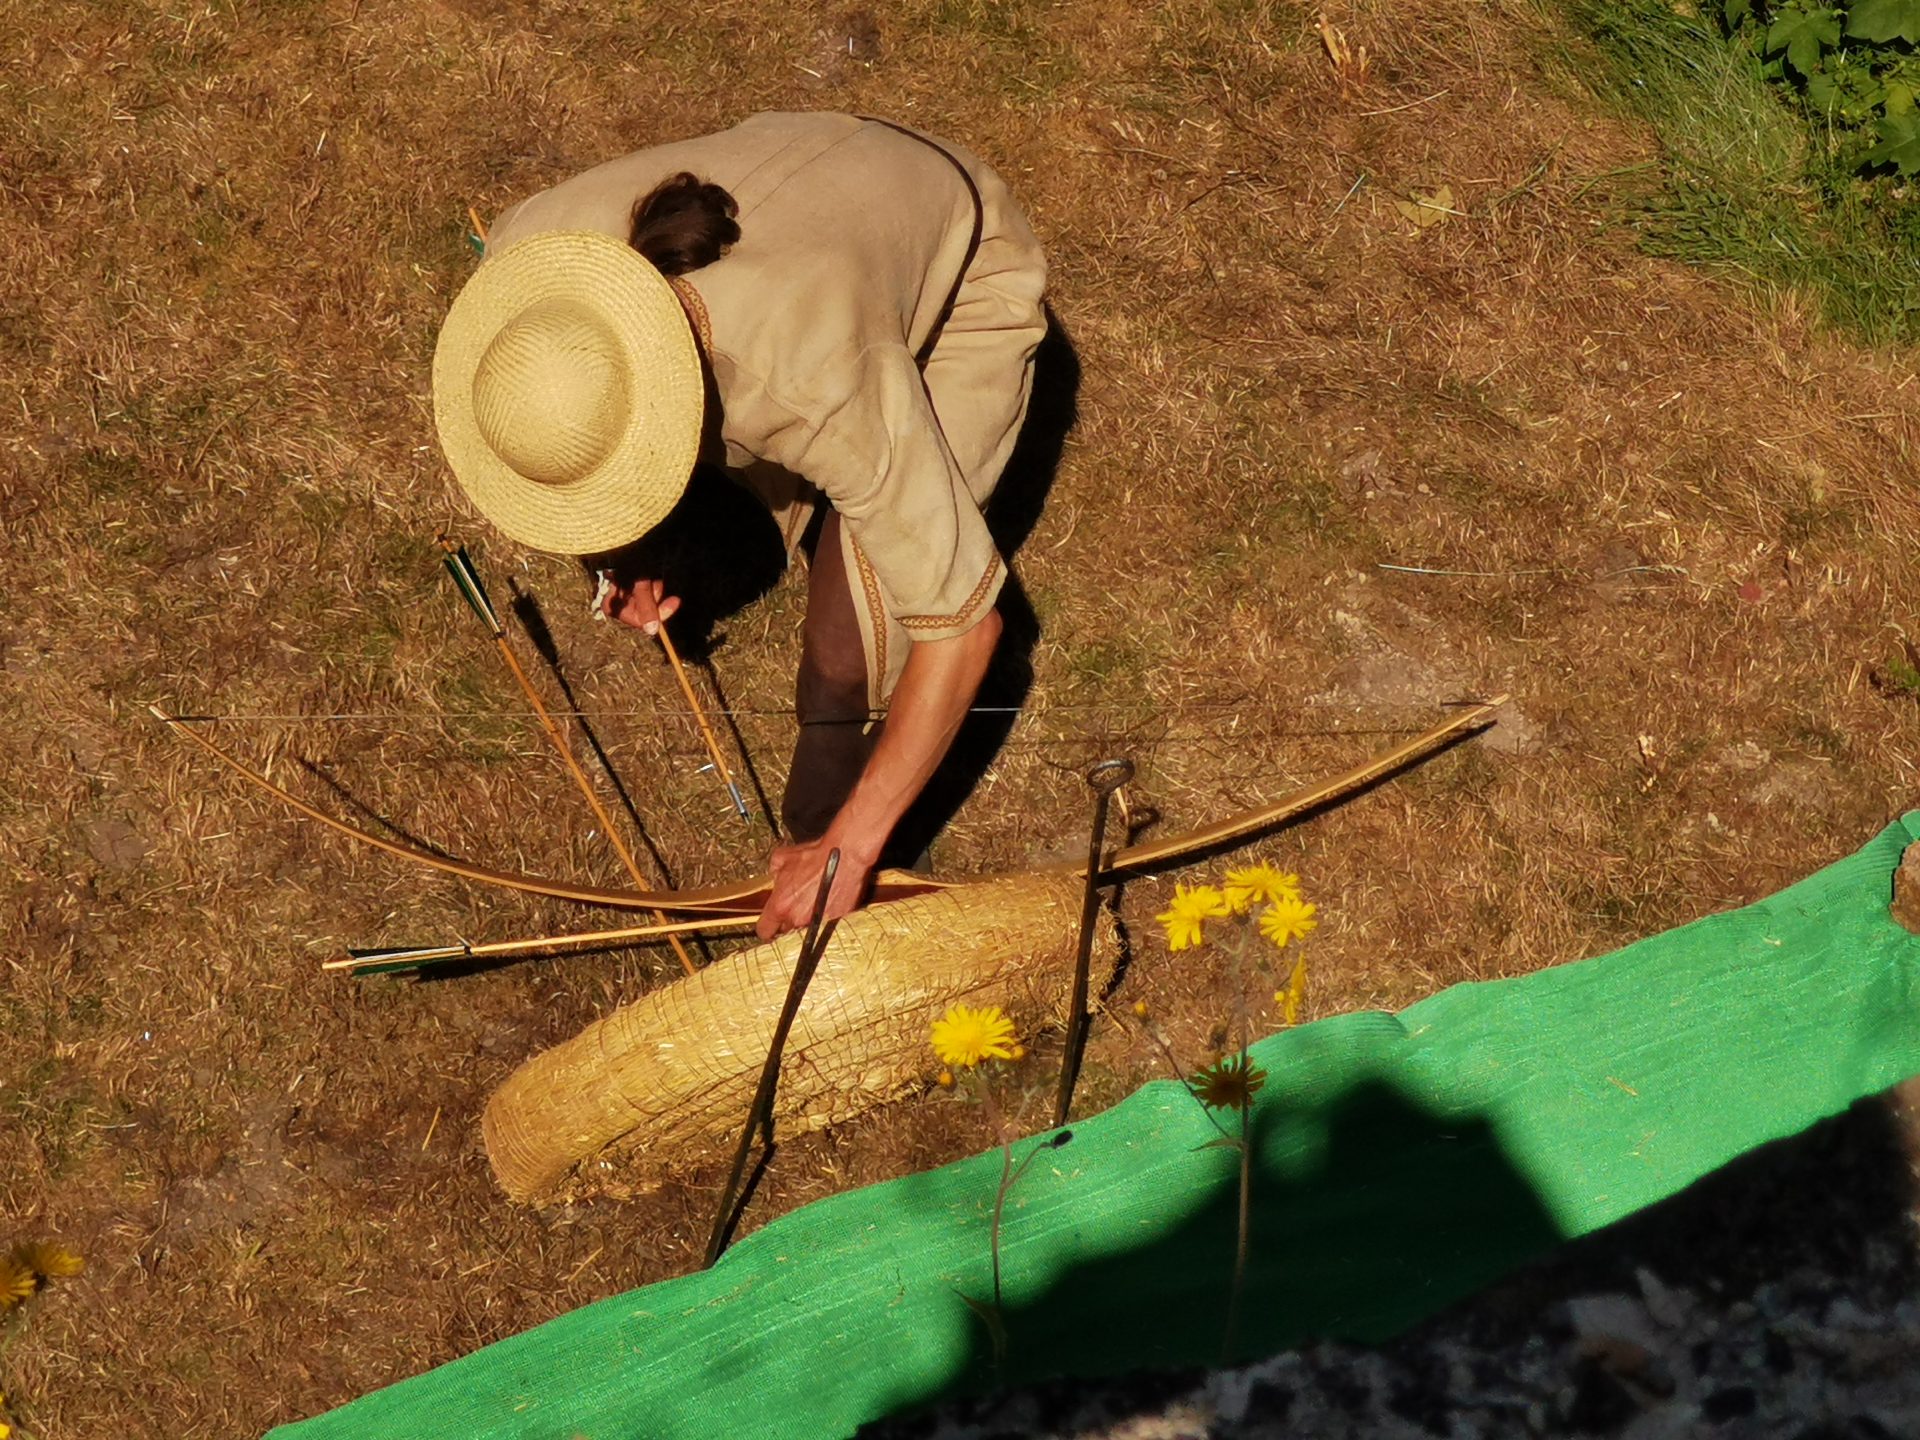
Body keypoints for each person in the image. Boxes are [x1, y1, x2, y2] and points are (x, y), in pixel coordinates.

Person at [432, 112, 1047, 940]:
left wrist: (848, 847)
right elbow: (571, 416)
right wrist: (616, 550)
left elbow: (963, 634)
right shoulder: (527, 267)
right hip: (813, 168)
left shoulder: (817, 387)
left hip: (958, 250)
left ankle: (827, 853)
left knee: (854, 644)